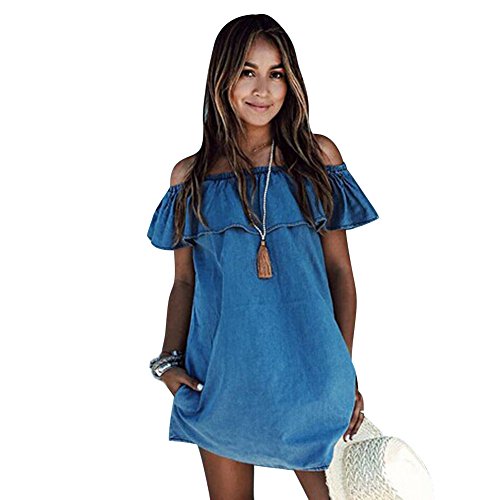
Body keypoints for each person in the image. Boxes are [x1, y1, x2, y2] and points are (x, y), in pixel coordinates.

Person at [147, 14, 379, 499]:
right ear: (223, 79)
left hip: (312, 375)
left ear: (290, 83)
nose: (262, 89)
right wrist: (167, 362)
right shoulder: (190, 179)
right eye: (247, 72)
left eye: (276, 74)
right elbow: (184, 282)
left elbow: (340, 272)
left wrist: (342, 371)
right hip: (220, 378)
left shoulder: (317, 160)